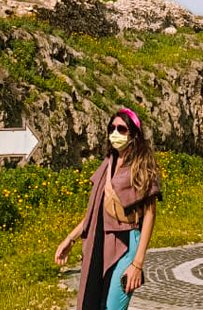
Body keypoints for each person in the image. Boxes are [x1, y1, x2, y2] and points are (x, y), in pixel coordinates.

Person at [55, 108, 161, 310]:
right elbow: (96, 213)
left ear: (133, 134)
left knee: (113, 306)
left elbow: (150, 215)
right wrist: (71, 238)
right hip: (102, 240)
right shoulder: (107, 164)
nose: (115, 133)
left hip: (127, 241)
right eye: (112, 128)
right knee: (97, 302)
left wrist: (137, 264)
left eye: (121, 129)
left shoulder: (143, 166)